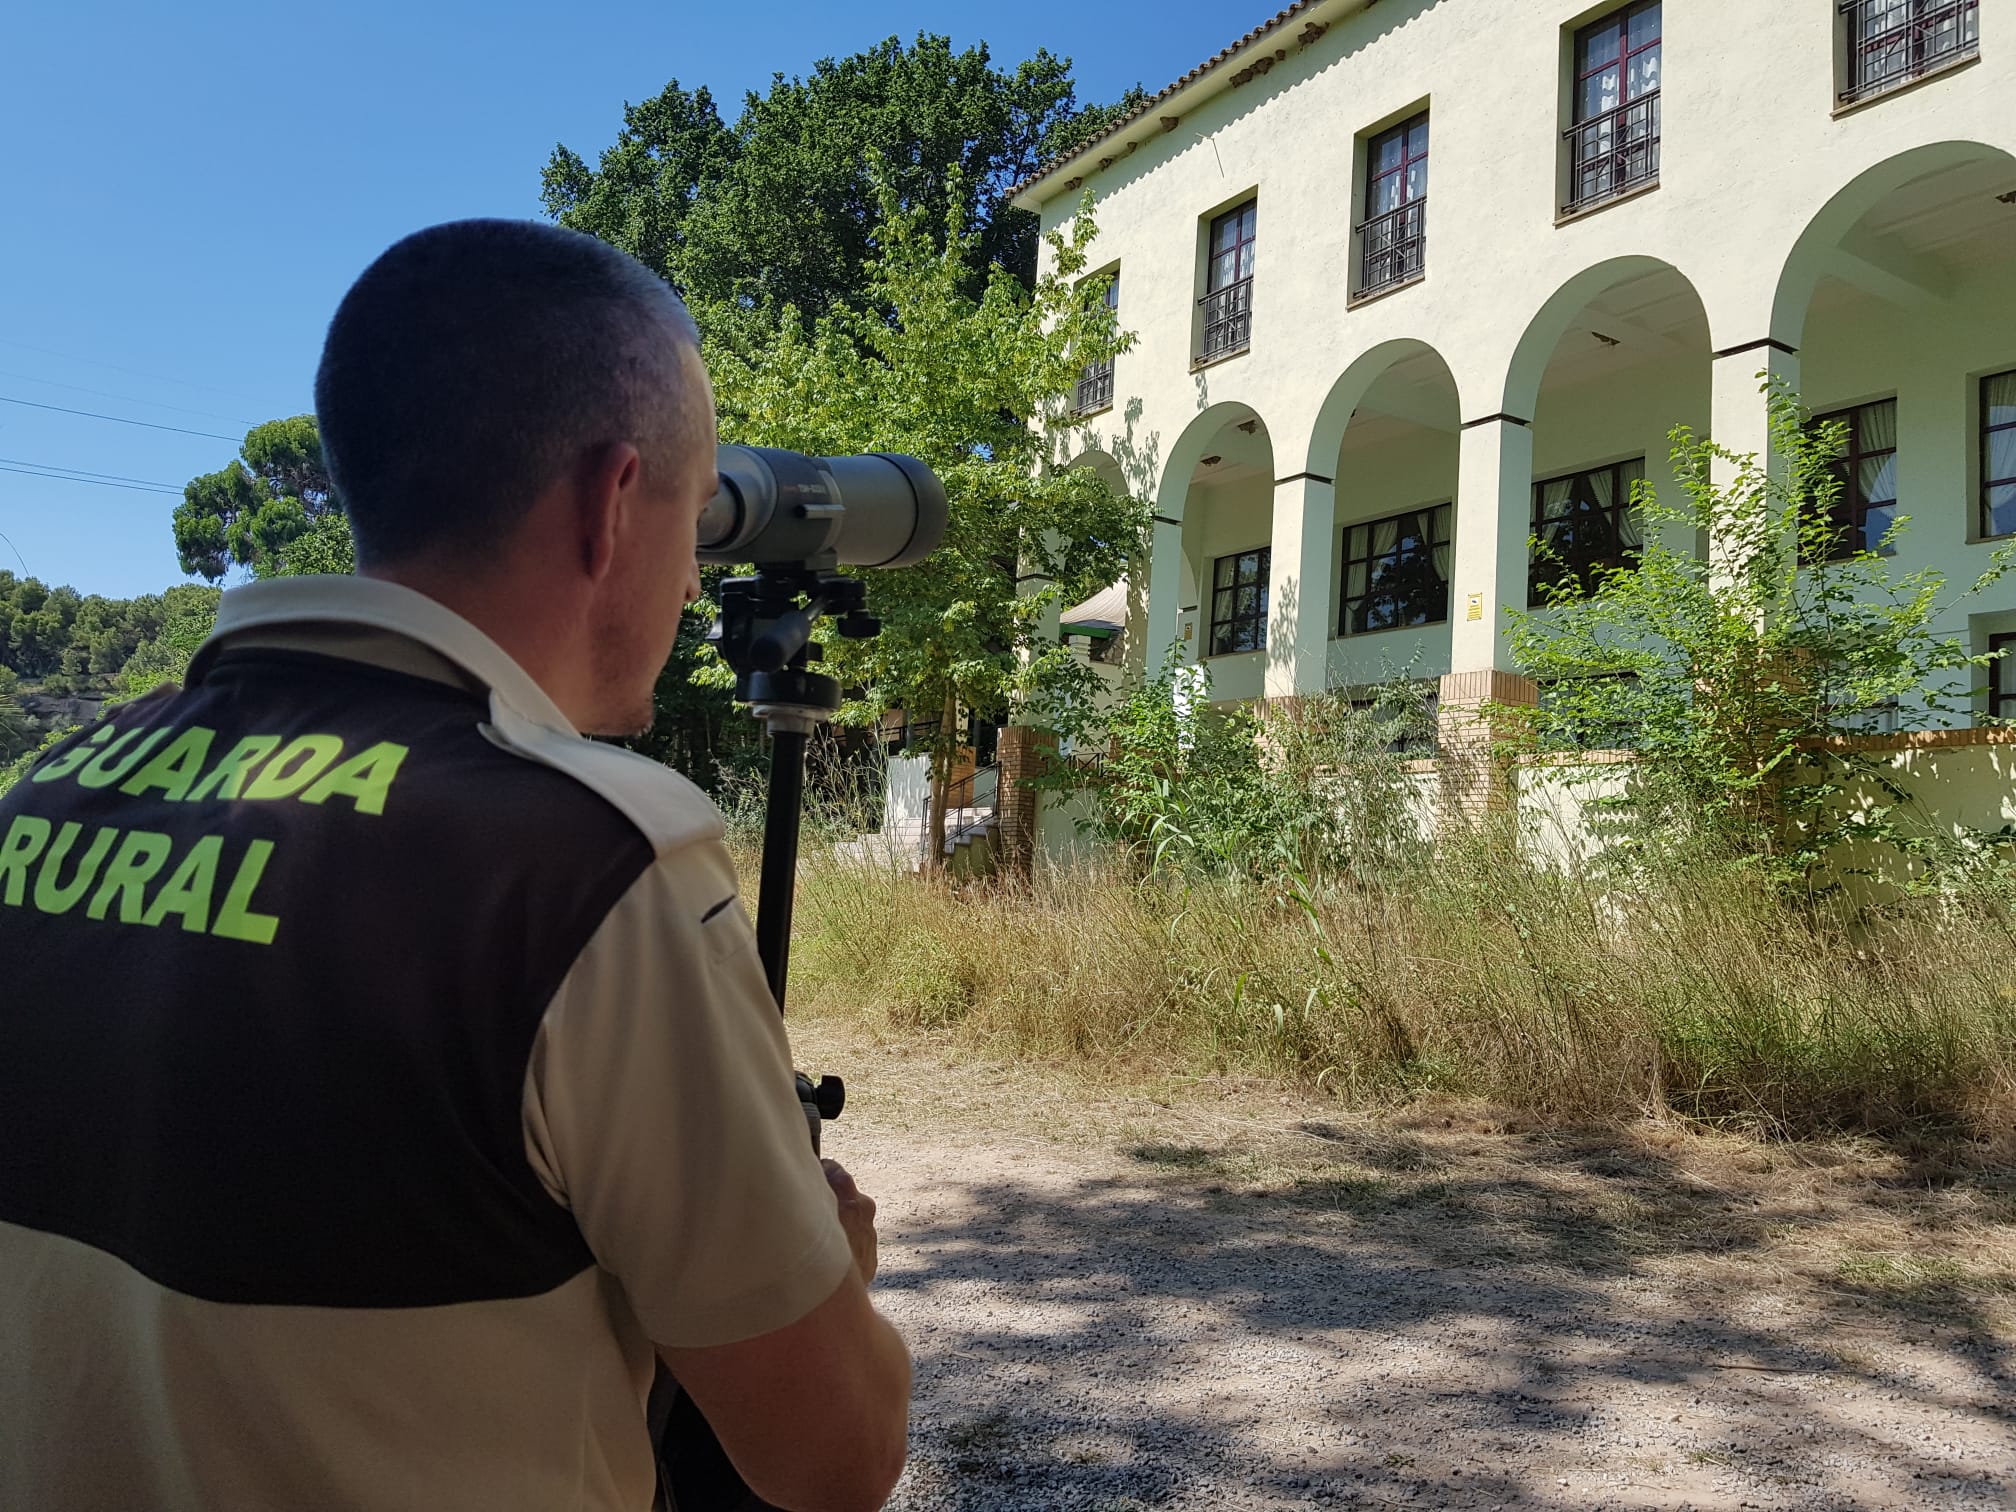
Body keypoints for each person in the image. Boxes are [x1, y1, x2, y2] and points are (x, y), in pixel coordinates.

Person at [0, 219, 911, 1512]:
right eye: (685, 512)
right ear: (610, 505)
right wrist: (840, 1267)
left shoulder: (40, 802)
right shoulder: (595, 869)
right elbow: (833, 1461)